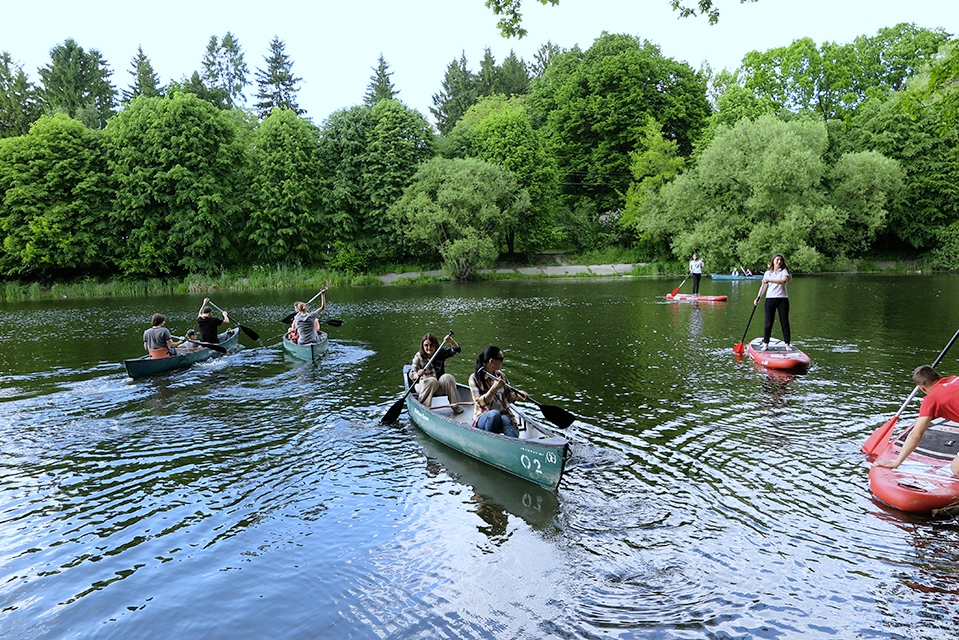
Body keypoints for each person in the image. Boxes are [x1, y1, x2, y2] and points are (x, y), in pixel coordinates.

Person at [873, 366, 959, 476]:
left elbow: (916, 434)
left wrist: (897, 462)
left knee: (956, 469)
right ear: (939, 376)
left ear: (922, 388)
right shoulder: (955, 378)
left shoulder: (931, 399)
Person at [468, 346, 528, 438]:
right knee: (494, 414)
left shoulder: (501, 376)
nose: (502, 362)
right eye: (501, 359)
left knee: (505, 420)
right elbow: (480, 403)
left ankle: (517, 444)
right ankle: (490, 441)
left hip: (502, 413)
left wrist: (517, 394)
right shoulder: (475, 378)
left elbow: (507, 399)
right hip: (483, 416)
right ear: (491, 361)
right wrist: (494, 388)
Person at [410, 333, 463, 413]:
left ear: (435, 345)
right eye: (426, 345)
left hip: (438, 386)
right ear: (422, 346)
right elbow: (411, 374)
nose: (429, 348)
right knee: (432, 381)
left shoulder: (440, 352)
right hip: (424, 386)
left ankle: (455, 405)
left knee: (448, 377)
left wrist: (451, 341)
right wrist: (417, 374)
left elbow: (456, 350)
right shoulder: (418, 357)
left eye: (431, 345)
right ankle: (424, 409)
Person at [754, 253, 792, 351]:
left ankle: (787, 344)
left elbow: (783, 281)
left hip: (782, 299)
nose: (779, 262)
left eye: (781, 260)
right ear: (773, 261)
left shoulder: (784, 271)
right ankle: (766, 344)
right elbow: (763, 287)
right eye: (777, 260)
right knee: (768, 323)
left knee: (784, 322)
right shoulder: (767, 273)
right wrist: (758, 297)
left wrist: (769, 280)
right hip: (770, 299)